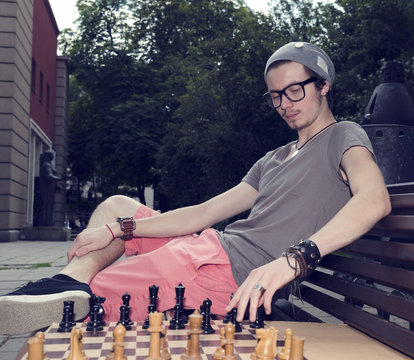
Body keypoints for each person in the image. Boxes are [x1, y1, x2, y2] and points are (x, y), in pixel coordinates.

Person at [0, 42, 391, 335]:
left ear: (323, 86)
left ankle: (68, 289)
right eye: (275, 96)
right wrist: (122, 228)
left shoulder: (343, 135)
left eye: (295, 90)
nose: (284, 103)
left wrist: (295, 259)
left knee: (94, 294)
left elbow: (374, 200)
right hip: (210, 247)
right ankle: (70, 282)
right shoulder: (274, 158)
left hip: (225, 274)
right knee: (116, 207)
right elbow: (204, 213)